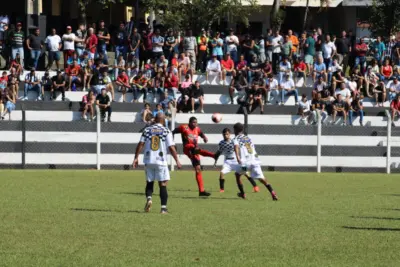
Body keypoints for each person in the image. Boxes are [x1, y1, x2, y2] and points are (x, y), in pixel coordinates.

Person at [133, 113, 182, 214]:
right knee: (163, 184)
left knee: (149, 182)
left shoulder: (147, 130)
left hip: (148, 160)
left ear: (155, 119)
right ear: (163, 120)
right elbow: (171, 147)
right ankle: (163, 209)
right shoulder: (166, 130)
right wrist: (177, 160)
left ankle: (149, 199)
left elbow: (140, 144)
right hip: (161, 161)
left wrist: (136, 158)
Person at [232, 122, 278, 200]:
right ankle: (273, 192)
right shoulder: (248, 138)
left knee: (237, 175)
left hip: (245, 164)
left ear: (235, 130)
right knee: (262, 179)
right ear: (242, 130)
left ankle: (242, 194)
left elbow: (236, 146)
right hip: (255, 161)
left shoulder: (236, 138)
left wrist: (237, 157)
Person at [172, 117, 215, 196]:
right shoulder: (184, 127)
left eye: (196, 122)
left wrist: (204, 137)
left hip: (195, 151)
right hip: (187, 148)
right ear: (189, 122)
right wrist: (172, 142)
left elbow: (201, 134)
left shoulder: (197, 129)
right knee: (193, 147)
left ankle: (201, 191)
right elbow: (173, 132)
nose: (195, 124)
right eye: (193, 122)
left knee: (198, 169)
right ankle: (213, 155)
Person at [213, 128, 259, 193]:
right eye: (224, 134)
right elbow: (219, 152)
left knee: (246, 173)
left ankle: (255, 186)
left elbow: (239, 149)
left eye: (227, 134)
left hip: (236, 160)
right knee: (222, 173)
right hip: (227, 162)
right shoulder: (221, 143)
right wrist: (215, 161)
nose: (225, 136)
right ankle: (222, 189)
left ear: (230, 134)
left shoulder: (233, 141)